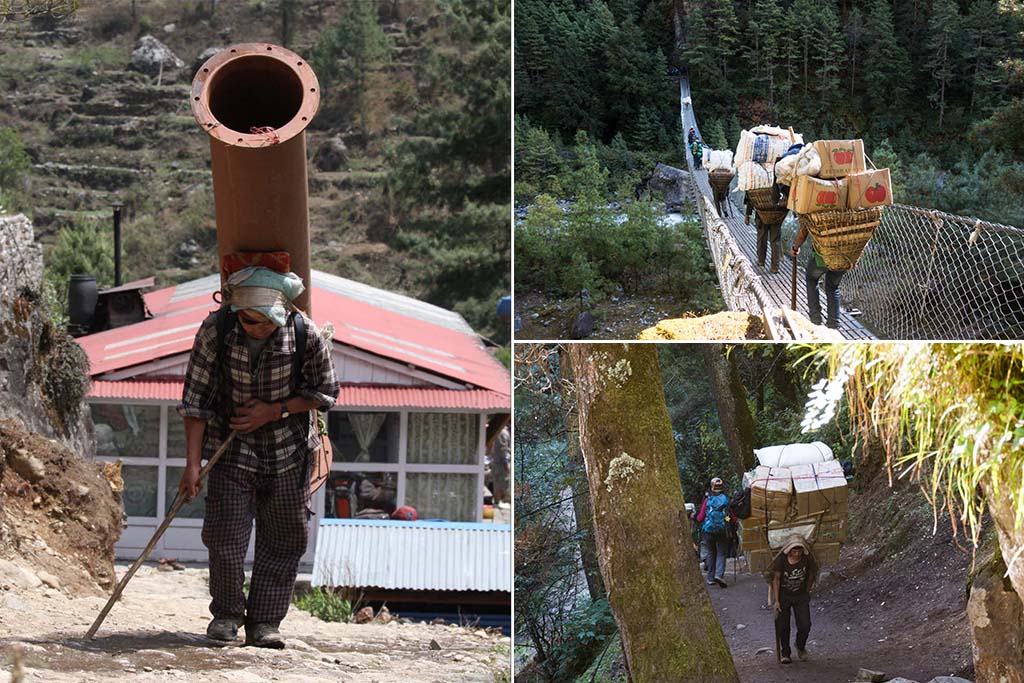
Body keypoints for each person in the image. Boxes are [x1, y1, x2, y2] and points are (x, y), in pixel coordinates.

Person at [177, 266, 340, 648]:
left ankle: (265, 623)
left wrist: (275, 409)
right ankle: (227, 615)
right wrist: (192, 465)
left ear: (281, 313)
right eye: (249, 320)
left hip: (290, 450)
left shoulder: (305, 334)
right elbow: (195, 402)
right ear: (236, 311)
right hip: (230, 449)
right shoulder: (215, 332)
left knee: (283, 539)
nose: (257, 327)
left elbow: (326, 392)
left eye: (266, 322)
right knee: (224, 537)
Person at [773, 537, 818, 664]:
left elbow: (811, 575)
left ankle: (800, 645)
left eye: (799, 551)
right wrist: (776, 601)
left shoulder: (807, 559)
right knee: (783, 626)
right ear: (789, 551)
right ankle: (785, 653)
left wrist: (807, 591)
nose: (797, 554)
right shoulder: (781, 560)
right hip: (784, 596)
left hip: (800, 596)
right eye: (794, 551)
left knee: (805, 625)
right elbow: (776, 579)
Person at [791, 225, 844, 328]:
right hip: (845, 258)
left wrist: (795, 247)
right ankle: (833, 324)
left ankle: (815, 319)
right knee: (833, 287)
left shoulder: (816, 211)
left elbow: (803, 232)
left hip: (822, 258)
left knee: (811, 279)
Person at [696, 477, 731, 587]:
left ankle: (710, 578)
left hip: (708, 531)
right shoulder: (725, 499)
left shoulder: (708, 500)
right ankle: (719, 575)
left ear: (712, 487)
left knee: (711, 553)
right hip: (721, 530)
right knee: (721, 553)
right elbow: (731, 516)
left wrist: (696, 518)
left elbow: (700, 518)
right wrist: (730, 522)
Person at [745, 198, 783, 273]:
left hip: (761, 213)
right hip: (777, 213)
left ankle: (761, 261)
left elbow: (750, 197)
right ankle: (775, 267)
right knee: (775, 241)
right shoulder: (780, 186)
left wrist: (747, 215)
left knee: (761, 238)